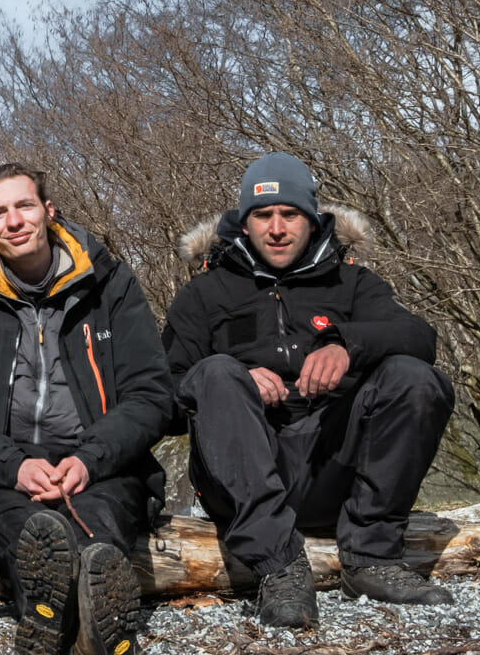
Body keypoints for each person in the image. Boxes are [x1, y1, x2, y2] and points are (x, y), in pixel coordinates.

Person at [164, 152, 455, 629]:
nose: (277, 228)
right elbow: (165, 397)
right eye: (263, 215)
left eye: (289, 213)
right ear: (244, 222)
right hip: (241, 477)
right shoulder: (203, 294)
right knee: (215, 372)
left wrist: (347, 344)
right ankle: (278, 567)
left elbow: (421, 338)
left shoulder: (355, 282)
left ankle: (373, 558)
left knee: (414, 377)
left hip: (333, 466)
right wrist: (235, 378)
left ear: (313, 218)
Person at [0, 165, 174, 655]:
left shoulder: (109, 284)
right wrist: (9, 465)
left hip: (101, 460)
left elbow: (152, 395)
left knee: (98, 523)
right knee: (28, 530)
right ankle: (65, 622)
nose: (14, 221)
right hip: (4, 469)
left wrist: (91, 458)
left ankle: (80, 617)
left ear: (49, 211)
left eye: (24, 206)